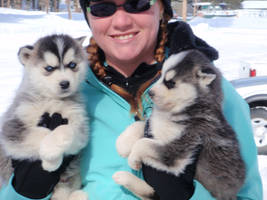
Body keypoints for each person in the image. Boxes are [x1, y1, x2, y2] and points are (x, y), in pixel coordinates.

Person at [0, 0, 263, 199]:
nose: (121, 21)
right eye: (103, 7)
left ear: (161, 8)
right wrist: (24, 190)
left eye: (136, 3)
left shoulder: (209, 92)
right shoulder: (57, 94)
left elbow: (245, 194)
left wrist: (185, 195)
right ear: (89, 17)